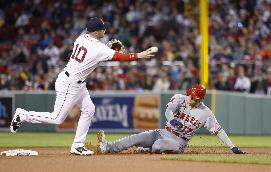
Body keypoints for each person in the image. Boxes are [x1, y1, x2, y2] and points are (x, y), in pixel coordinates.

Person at [10, 17, 157, 155]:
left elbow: (95, 56)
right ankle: (23, 115)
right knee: (57, 118)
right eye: (103, 28)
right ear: (96, 31)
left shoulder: (81, 38)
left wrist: (107, 50)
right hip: (70, 84)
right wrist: (140, 55)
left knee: (89, 109)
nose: (105, 30)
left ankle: (77, 145)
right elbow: (120, 57)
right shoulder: (99, 48)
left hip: (74, 81)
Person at [97, 84, 246, 154]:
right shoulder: (180, 98)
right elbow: (168, 111)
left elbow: (219, 131)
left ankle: (146, 149)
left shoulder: (206, 113)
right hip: (163, 132)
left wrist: (232, 147)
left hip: (178, 141)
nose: (189, 97)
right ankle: (107, 148)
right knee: (135, 138)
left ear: (200, 99)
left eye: (192, 97)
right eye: (189, 94)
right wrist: (172, 119)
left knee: (157, 146)